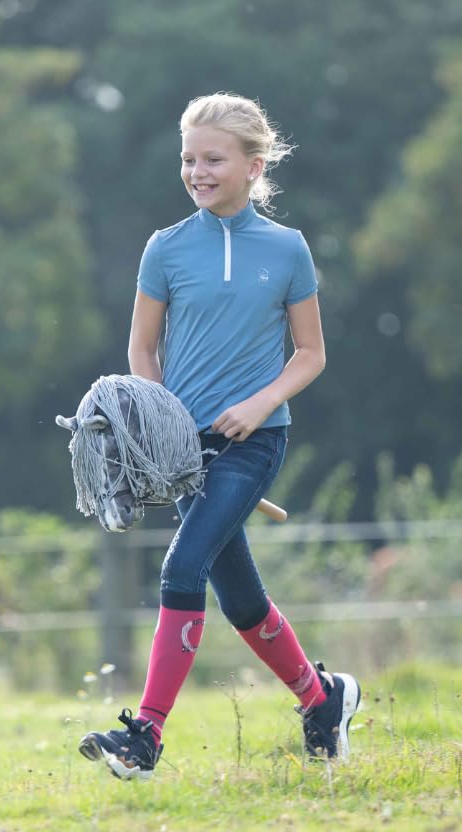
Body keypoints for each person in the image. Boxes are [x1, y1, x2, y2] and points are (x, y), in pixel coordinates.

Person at [79, 93, 360, 781]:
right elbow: (141, 351)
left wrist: (259, 405)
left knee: (182, 568)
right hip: (186, 452)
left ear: (253, 165)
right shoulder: (166, 249)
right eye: (188, 159)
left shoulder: (287, 250)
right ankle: (323, 701)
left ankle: (144, 737)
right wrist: (161, 423)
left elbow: (310, 354)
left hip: (257, 443)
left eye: (212, 159)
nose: (196, 171)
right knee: (241, 602)